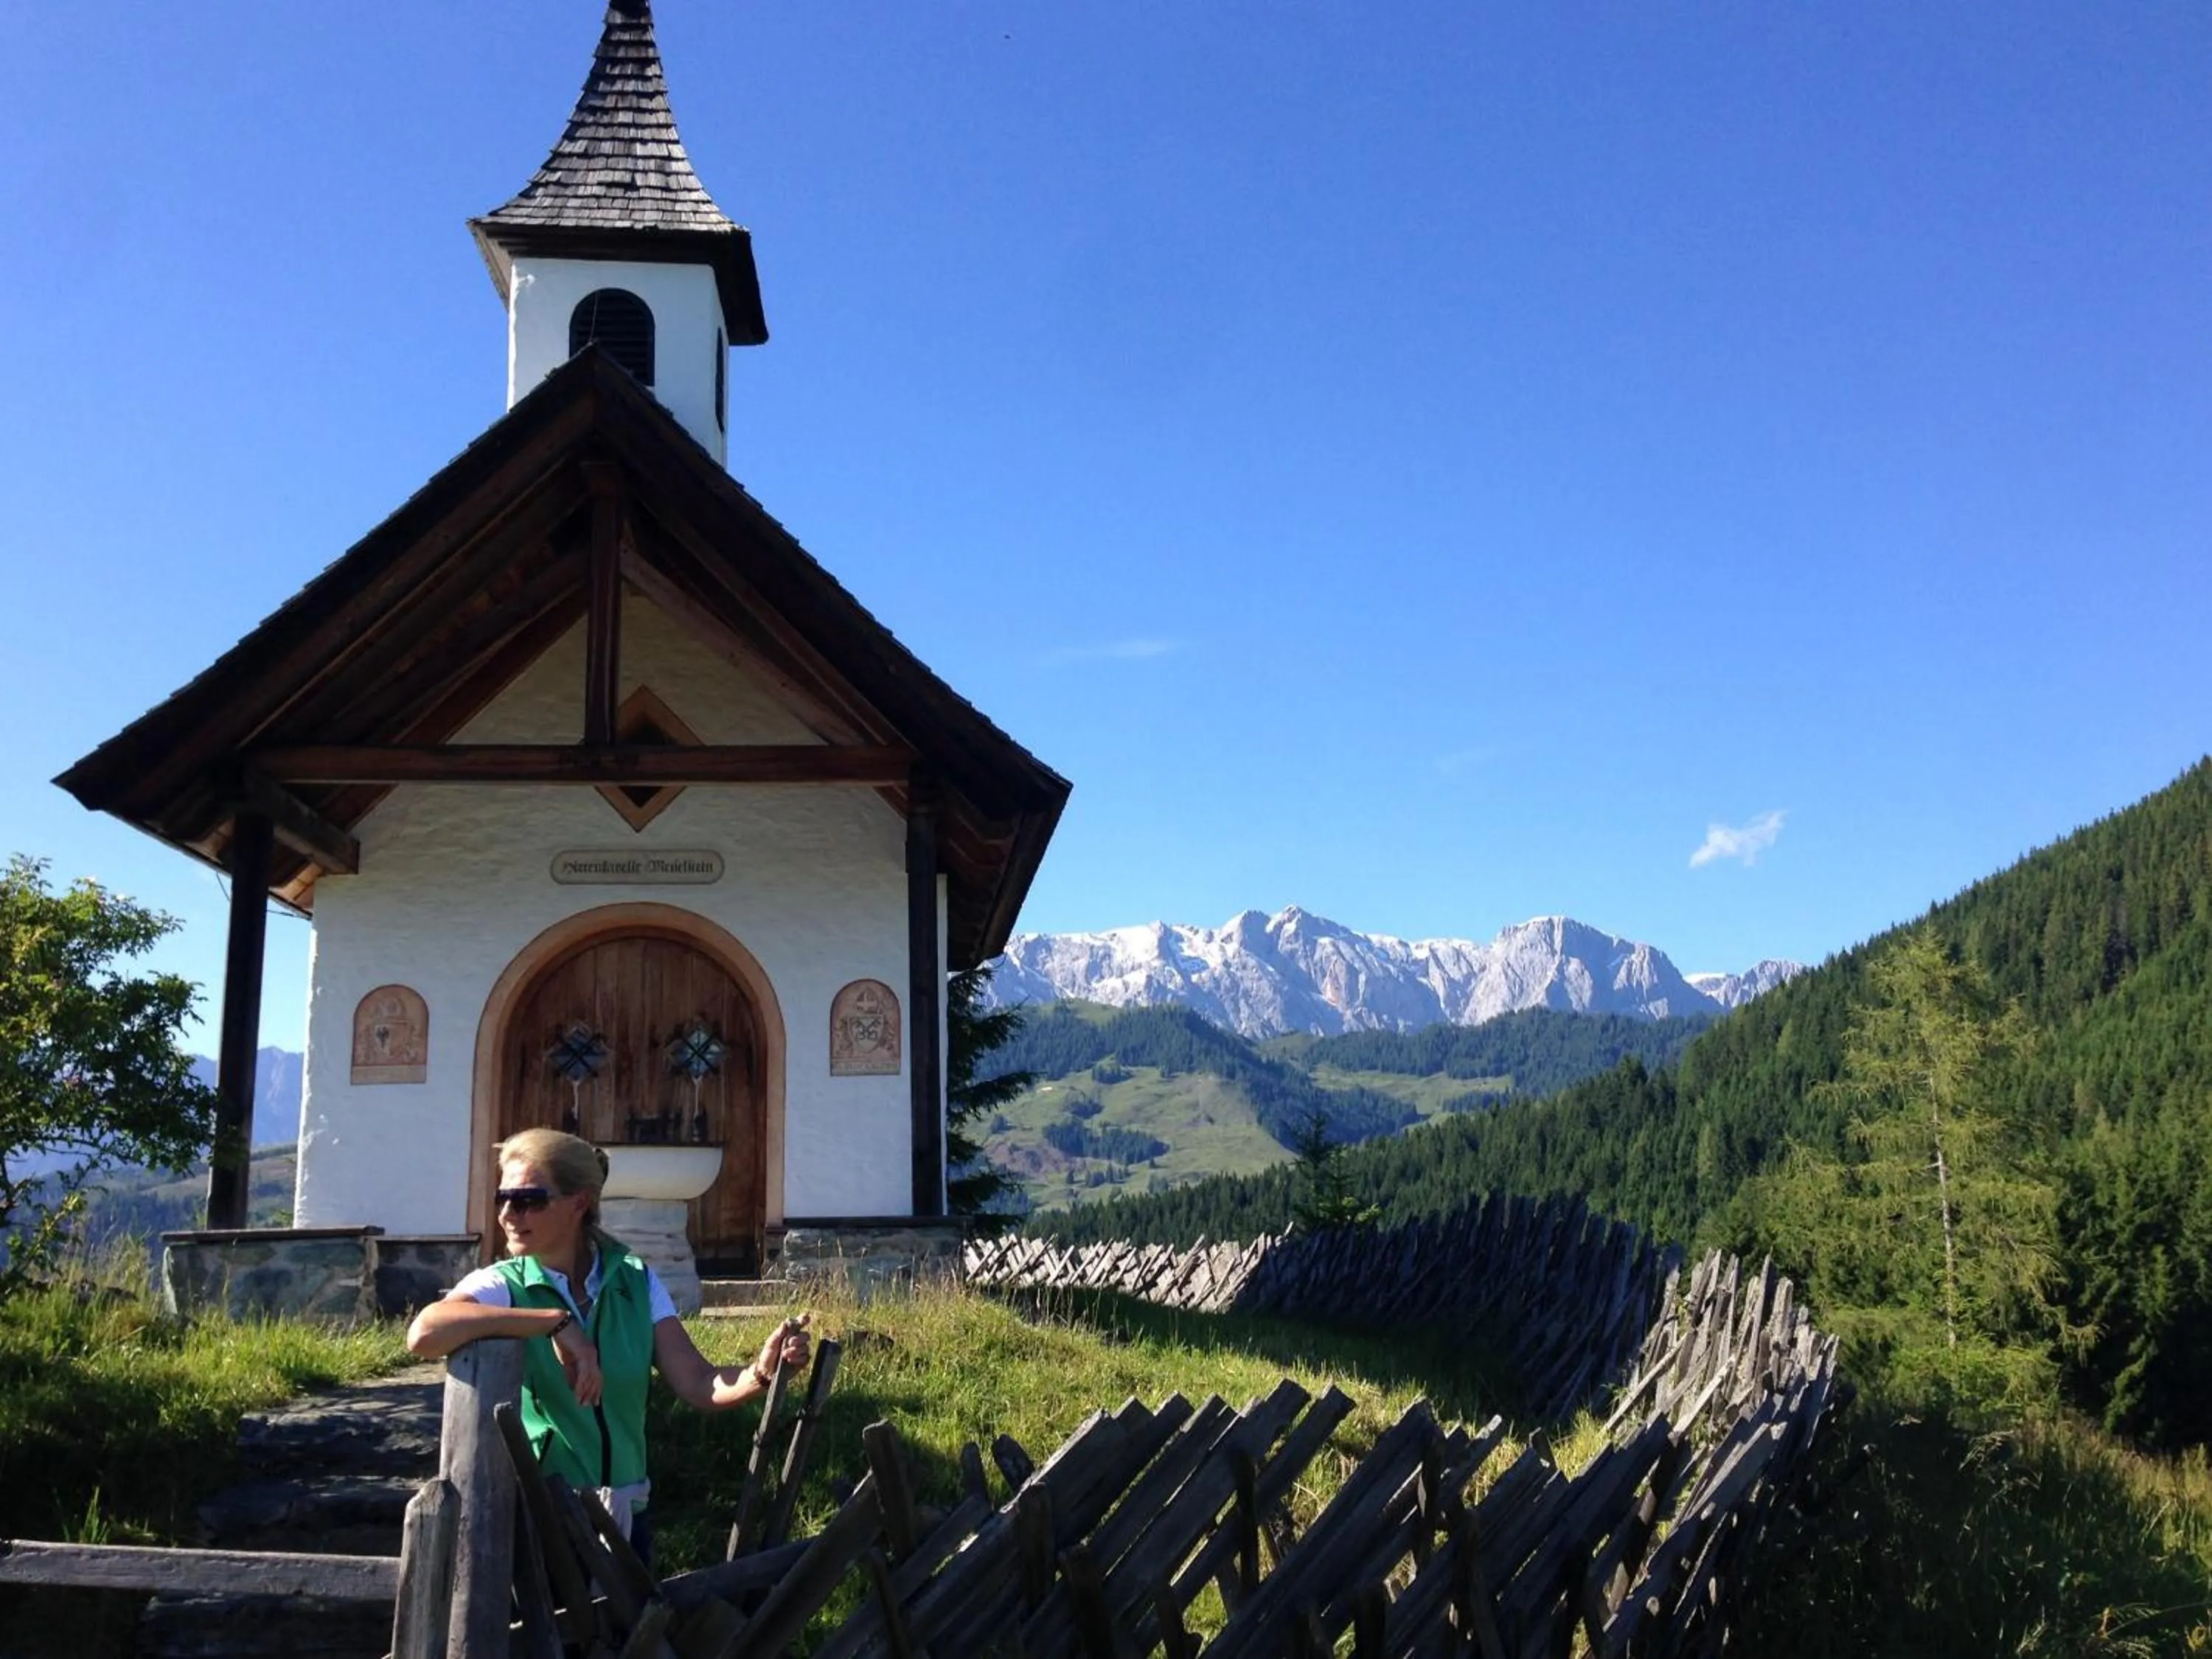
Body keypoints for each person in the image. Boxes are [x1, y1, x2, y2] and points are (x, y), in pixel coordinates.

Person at [406, 1128, 810, 1562]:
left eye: (528, 1200)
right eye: (502, 1198)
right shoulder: (504, 1283)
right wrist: (554, 1323)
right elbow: (425, 1333)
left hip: (627, 1516)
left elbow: (697, 1381)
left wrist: (760, 1373)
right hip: (547, 1520)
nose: (508, 1214)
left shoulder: (634, 1280)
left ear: (579, 1203)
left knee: (629, 1632)